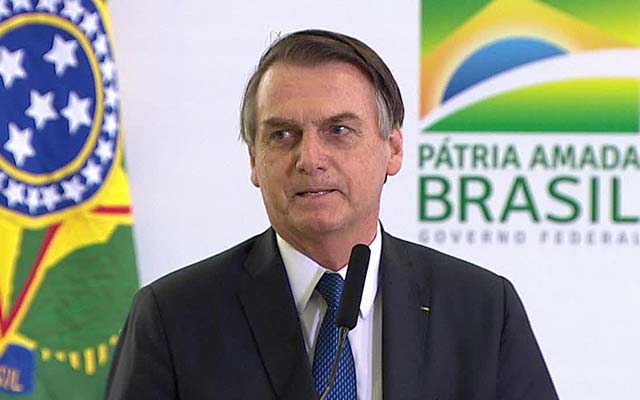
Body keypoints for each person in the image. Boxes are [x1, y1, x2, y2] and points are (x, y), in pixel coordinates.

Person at [106, 30, 559, 400]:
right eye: (282, 135)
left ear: (393, 149)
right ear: (254, 160)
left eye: (338, 130)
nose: (309, 159)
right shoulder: (173, 317)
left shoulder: (482, 309)